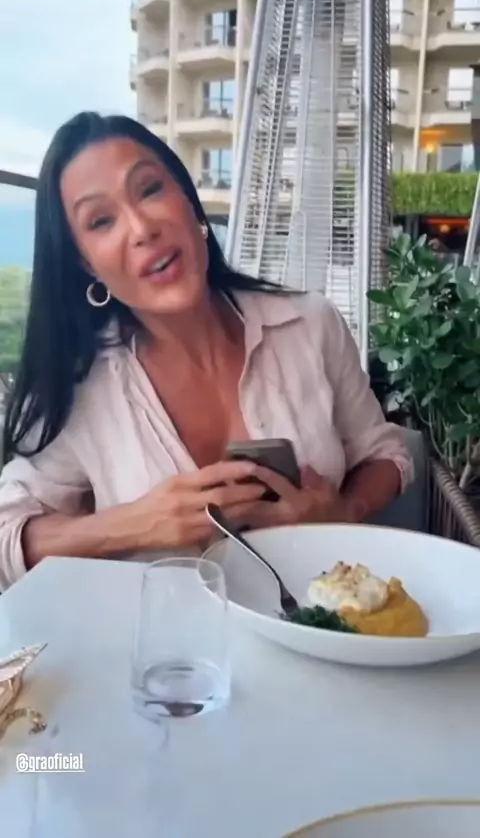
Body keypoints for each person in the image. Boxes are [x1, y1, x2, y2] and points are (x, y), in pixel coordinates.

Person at [0, 112, 412, 591]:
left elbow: (385, 452)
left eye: (150, 189)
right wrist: (138, 523)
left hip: (317, 622)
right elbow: (8, 535)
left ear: (190, 205)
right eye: (101, 221)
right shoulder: (78, 386)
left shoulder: (311, 324)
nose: (141, 228)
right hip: (159, 638)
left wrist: (343, 512)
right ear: (87, 265)